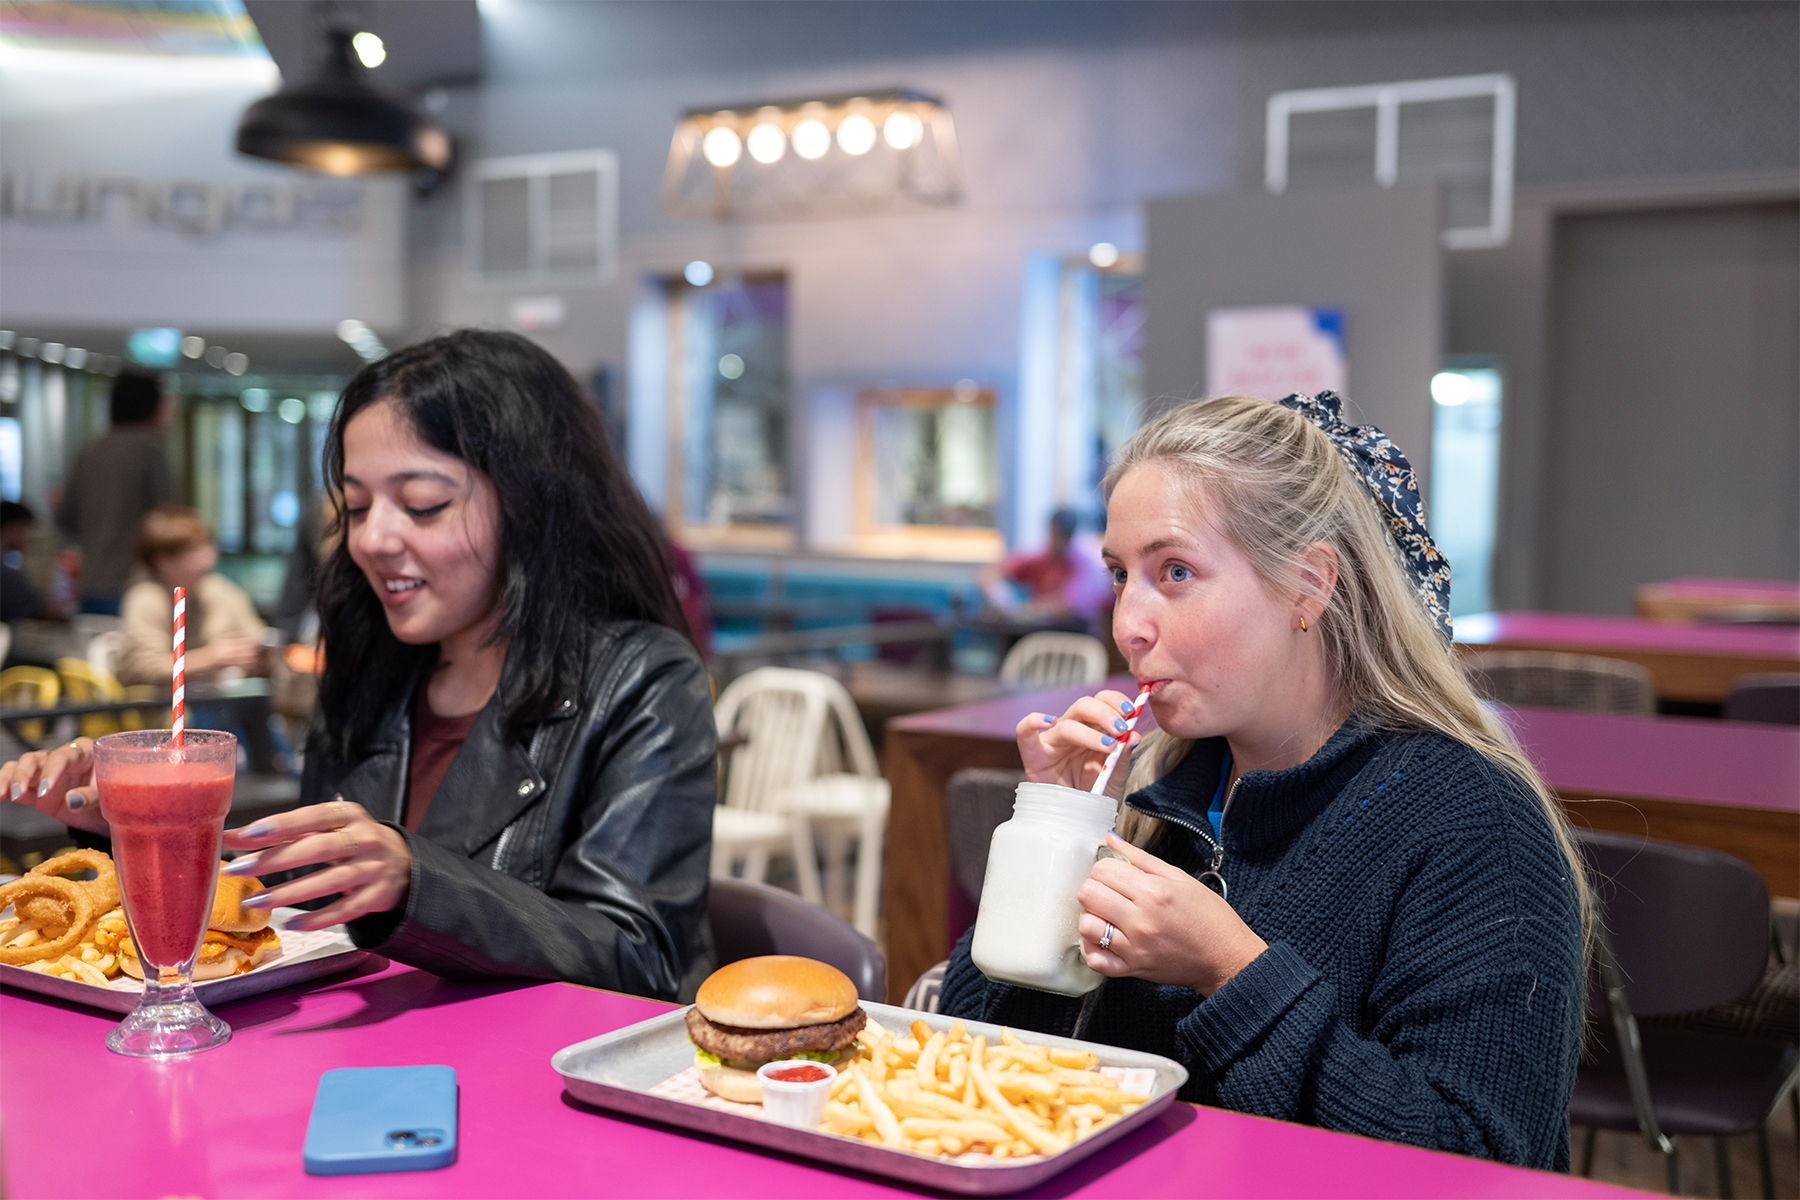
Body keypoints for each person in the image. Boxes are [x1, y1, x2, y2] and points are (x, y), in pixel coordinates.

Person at [938, 393, 1587, 1170]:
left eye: (1174, 572)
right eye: (1119, 574)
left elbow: (1477, 1161)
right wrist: (1062, 834)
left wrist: (1233, 970)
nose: (1127, 624)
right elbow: (972, 1066)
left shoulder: (1475, 823)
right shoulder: (1159, 793)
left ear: (1309, 587)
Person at [0, 331, 719, 1001]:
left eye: (423, 504)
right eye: (356, 505)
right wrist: (136, 822)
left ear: (532, 506)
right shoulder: (376, 663)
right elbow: (307, 895)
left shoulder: (643, 679)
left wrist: (416, 880)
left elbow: (639, 957)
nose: (372, 539)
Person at [55, 372, 176, 616]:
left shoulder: (90, 451)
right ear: (153, 406)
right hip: (137, 583)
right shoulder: (150, 450)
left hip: (91, 580)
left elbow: (65, 518)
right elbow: (170, 521)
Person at [115, 506, 268, 688]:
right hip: (157, 709)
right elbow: (146, 669)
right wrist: (211, 657)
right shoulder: (146, 598)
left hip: (215, 700)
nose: (208, 558)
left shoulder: (219, 590)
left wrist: (261, 657)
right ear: (163, 562)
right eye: (193, 552)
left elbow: (258, 637)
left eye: (207, 546)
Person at [1, 501, 64, 623]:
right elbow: (47, 610)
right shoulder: (5, 573)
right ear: (13, 527)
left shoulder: (8, 565)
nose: (31, 535)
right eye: (29, 528)